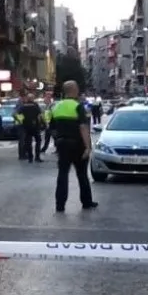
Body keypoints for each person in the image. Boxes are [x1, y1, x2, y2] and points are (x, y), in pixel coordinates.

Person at [51, 81, 98, 212]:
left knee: (62, 175)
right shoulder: (78, 106)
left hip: (62, 144)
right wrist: (88, 147)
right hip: (77, 145)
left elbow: (52, 128)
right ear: (75, 90)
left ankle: (60, 205)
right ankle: (86, 202)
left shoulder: (57, 106)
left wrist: (58, 140)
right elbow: (83, 127)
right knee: (82, 174)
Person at [13, 93, 43, 163]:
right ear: (33, 99)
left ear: (27, 99)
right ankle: (37, 157)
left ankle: (30, 157)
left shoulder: (23, 107)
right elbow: (40, 116)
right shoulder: (36, 106)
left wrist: (20, 120)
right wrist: (41, 123)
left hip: (26, 126)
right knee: (38, 141)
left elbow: (15, 114)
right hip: (35, 126)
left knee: (28, 142)